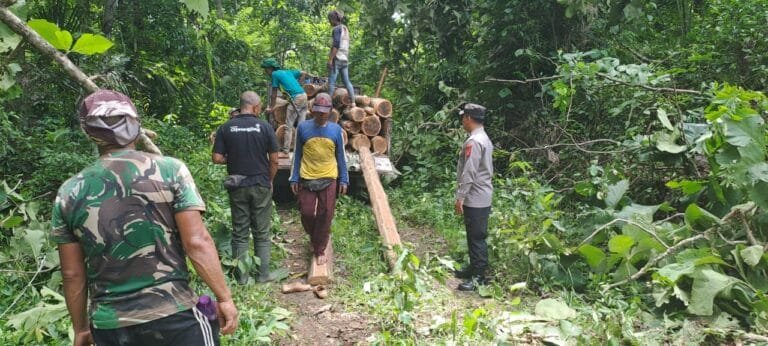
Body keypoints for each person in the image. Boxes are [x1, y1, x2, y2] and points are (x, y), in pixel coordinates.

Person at [52, 90, 238, 346]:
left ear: (88, 131)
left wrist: (81, 328)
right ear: (136, 124)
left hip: (111, 326)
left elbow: (72, 273)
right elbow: (196, 241)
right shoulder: (171, 170)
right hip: (174, 314)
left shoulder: (69, 192)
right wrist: (224, 298)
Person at [212, 91, 280, 284]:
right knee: (261, 232)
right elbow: (274, 159)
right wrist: (270, 181)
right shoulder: (265, 127)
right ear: (256, 107)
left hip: (237, 185)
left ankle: (241, 278)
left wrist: (232, 158)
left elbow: (216, 158)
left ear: (241, 105)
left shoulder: (226, 127)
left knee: (240, 232)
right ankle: (262, 275)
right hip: (260, 184)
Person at [289, 93, 349, 265]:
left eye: (325, 111)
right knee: (307, 212)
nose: (321, 114)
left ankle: (319, 248)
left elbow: (341, 157)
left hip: (329, 177)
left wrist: (344, 179)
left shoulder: (336, 130)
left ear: (330, 111)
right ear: (312, 110)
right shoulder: (303, 128)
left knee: (326, 213)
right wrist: (294, 178)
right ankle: (316, 236)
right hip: (307, 176)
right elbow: (298, 154)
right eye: (318, 111)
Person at [453, 103, 494, 292]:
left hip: (475, 196)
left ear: (469, 118)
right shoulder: (482, 138)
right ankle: (473, 268)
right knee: (473, 234)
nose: (462, 121)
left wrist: (460, 196)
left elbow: (469, 172)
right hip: (480, 195)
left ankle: (479, 278)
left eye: (463, 117)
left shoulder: (474, 142)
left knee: (477, 237)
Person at [261, 58, 308, 154]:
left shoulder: (275, 74)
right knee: (301, 125)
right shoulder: (287, 72)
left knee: (288, 126)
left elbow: (274, 94)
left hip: (296, 98)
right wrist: (300, 84)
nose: (266, 72)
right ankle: (302, 148)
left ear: (271, 68)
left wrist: (271, 107)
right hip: (304, 95)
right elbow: (303, 72)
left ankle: (286, 149)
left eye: (266, 69)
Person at [327, 10, 355, 101]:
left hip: (337, 58)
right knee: (347, 82)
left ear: (332, 19)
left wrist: (330, 59)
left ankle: (328, 105)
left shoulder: (337, 29)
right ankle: (353, 103)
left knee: (331, 82)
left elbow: (336, 45)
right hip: (345, 59)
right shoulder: (345, 28)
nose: (329, 22)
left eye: (329, 19)